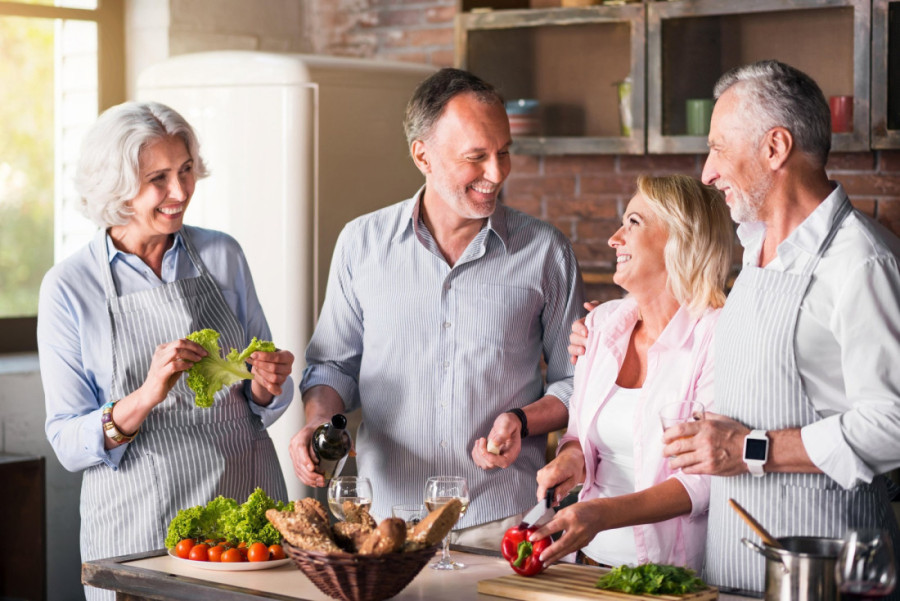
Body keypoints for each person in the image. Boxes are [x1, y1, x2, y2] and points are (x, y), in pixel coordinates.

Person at [572, 60, 900, 594]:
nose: (707, 172)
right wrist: (602, 333)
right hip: (734, 568)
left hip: (823, 570)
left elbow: (893, 422)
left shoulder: (861, 262)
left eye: (719, 148)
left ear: (775, 148)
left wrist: (751, 448)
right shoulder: (754, 253)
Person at [289, 68, 585, 547]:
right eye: (477, 157)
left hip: (502, 519)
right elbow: (333, 366)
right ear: (422, 154)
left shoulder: (546, 252)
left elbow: (578, 382)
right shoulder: (361, 244)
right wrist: (316, 422)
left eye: (504, 152)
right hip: (386, 522)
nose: (497, 173)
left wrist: (524, 420)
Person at [38, 102, 295, 601]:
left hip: (243, 523)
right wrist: (146, 395)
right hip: (139, 530)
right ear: (116, 188)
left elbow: (264, 404)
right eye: (158, 178)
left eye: (185, 170)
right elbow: (68, 442)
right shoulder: (69, 287)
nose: (180, 192)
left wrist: (268, 386)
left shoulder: (223, 255)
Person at [529, 175, 732, 571]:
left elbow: (705, 480)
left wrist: (603, 514)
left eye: (633, 222)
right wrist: (571, 459)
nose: (614, 238)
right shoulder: (601, 324)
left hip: (668, 574)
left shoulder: (717, 335)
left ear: (680, 238)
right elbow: (578, 434)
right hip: (585, 560)